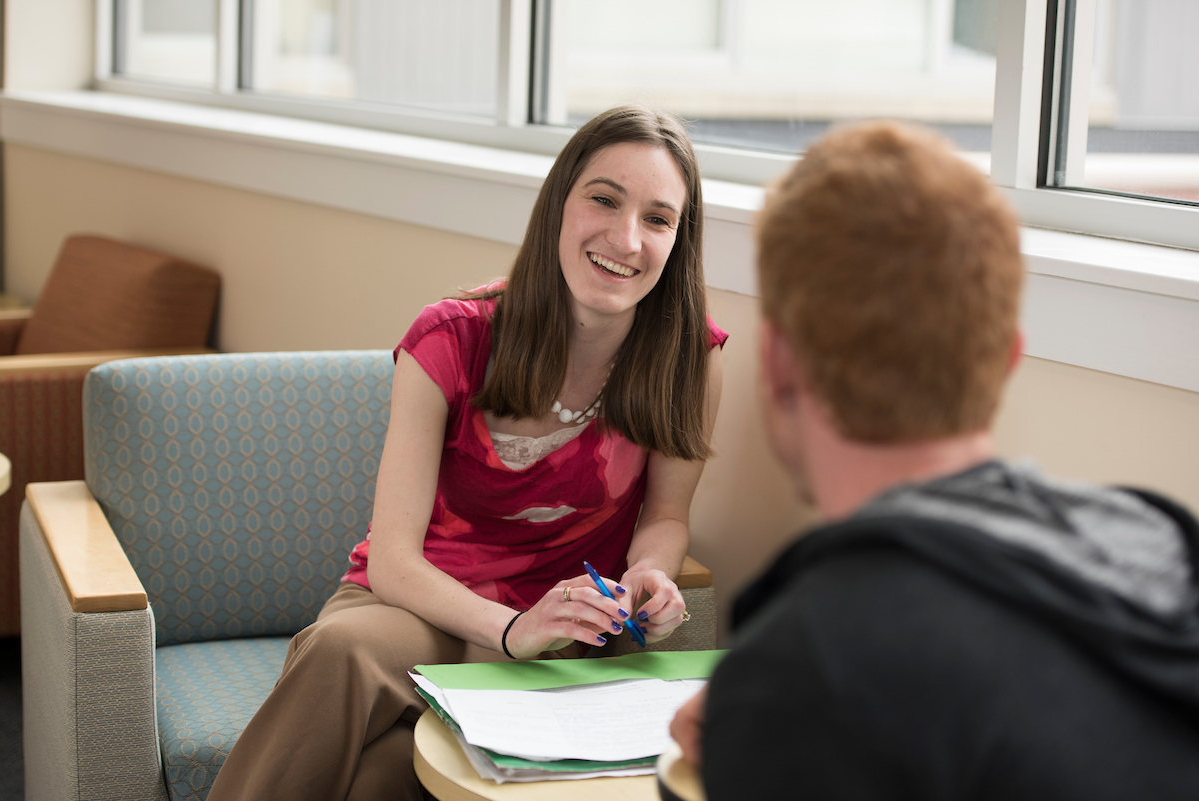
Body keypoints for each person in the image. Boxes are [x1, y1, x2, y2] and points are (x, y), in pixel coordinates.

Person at [208, 106, 726, 801]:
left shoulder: (691, 361)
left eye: (658, 218)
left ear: (678, 239)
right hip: (415, 611)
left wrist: (649, 578)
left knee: (375, 782)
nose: (626, 237)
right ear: (559, 205)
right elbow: (392, 559)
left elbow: (666, 515)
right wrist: (511, 628)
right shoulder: (449, 338)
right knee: (338, 649)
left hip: (566, 629)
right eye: (604, 199)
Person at [670, 121, 1199, 799]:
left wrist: (772, 717)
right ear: (1007, 357)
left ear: (777, 366)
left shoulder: (816, 665)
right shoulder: (1163, 546)